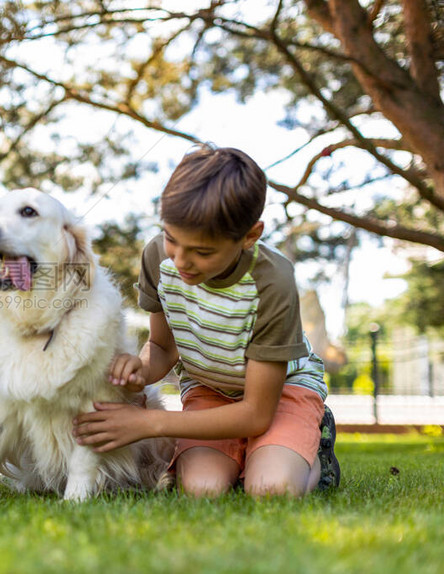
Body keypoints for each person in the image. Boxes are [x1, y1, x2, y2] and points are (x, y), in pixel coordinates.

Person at [72, 145, 340, 497]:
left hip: (280, 395)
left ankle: (309, 446)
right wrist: (139, 368)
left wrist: (148, 423)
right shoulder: (157, 256)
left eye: (203, 251)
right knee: (202, 489)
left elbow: (257, 412)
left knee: (271, 489)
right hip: (210, 389)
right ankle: (256, 454)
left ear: (249, 236)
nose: (182, 261)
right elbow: (162, 348)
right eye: (172, 239)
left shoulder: (272, 280)